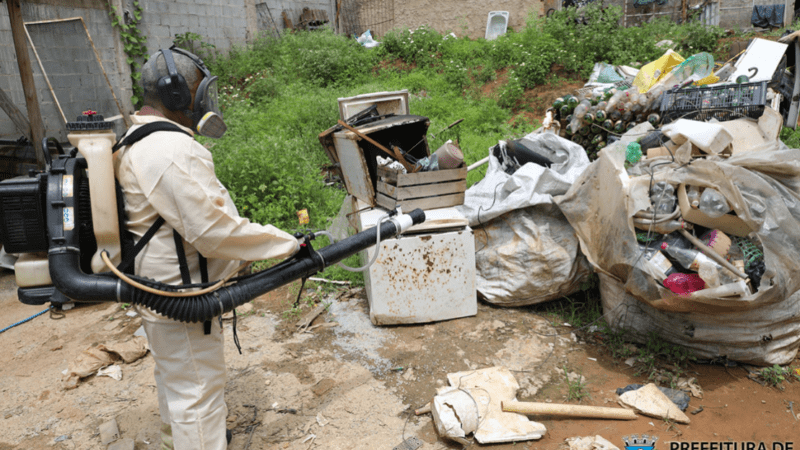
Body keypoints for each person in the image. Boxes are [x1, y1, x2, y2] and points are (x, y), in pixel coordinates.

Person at [112, 46, 300, 450]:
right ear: (177, 95)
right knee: (197, 390)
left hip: (157, 288)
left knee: (176, 377)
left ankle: (175, 439)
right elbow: (212, 231)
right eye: (199, 93)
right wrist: (286, 243)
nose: (204, 103)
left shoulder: (138, 139)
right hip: (180, 292)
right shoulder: (169, 150)